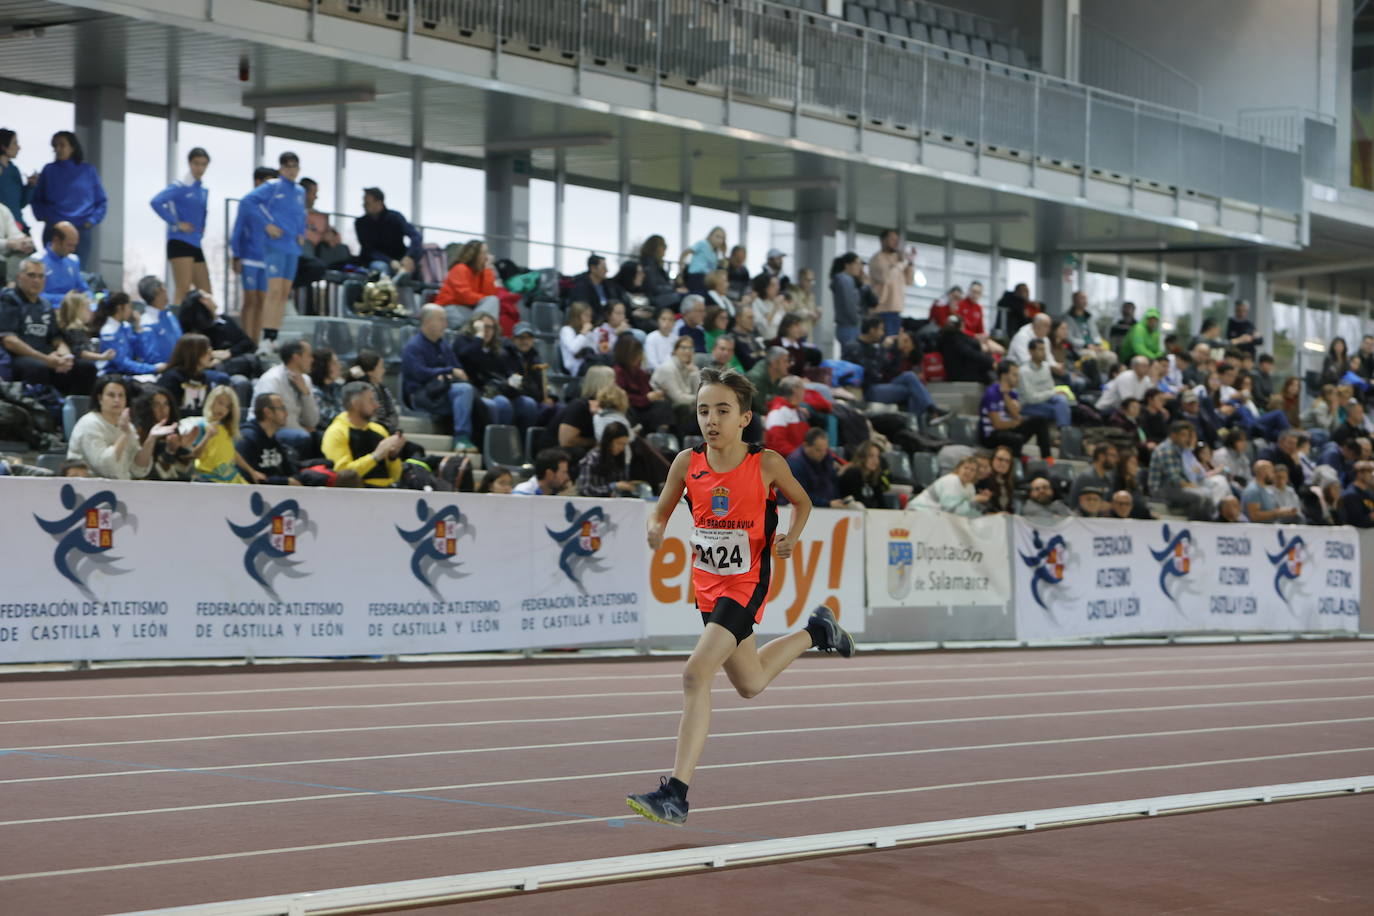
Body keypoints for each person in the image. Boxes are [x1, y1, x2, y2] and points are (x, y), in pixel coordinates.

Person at [626, 366, 848, 827]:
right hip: (707, 585)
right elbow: (661, 510)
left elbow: (802, 502)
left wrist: (791, 535)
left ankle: (676, 794)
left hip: (746, 584)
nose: (711, 419)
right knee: (750, 683)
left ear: (744, 418)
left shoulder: (764, 463)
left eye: (722, 411)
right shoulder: (687, 463)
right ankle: (817, 631)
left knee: (695, 674)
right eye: (704, 410)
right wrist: (654, 529)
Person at [0, 257, 98, 395]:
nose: (36, 280)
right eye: (31, 275)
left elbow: (56, 338)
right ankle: (43, 413)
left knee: (86, 367)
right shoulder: (9, 300)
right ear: (19, 277)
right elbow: (9, 341)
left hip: (48, 357)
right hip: (19, 359)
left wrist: (66, 355)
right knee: (37, 368)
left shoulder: (46, 305)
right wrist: (45, 360)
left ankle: (75, 412)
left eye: (41, 276)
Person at [240, 151, 305, 350]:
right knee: (274, 290)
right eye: (288, 166)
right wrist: (266, 224)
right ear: (281, 169)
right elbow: (247, 202)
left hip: (292, 247)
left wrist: (301, 232)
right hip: (275, 245)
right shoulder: (272, 186)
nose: (291, 171)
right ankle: (265, 336)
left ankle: (274, 335)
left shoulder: (300, 191)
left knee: (285, 292)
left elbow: (301, 214)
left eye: (294, 166)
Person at [843, 316, 946, 430]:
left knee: (910, 377)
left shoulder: (874, 348)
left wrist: (896, 349)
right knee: (913, 392)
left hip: (881, 385)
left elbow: (890, 369)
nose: (883, 333)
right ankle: (919, 424)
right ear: (872, 330)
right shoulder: (854, 347)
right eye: (881, 329)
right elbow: (871, 372)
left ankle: (928, 414)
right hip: (868, 388)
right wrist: (883, 350)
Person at [400, 304, 478, 449]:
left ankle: (479, 442)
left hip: (442, 393)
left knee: (478, 400)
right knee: (463, 390)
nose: (446, 324)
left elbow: (458, 368)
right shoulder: (413, 347)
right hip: (422, 396)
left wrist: (449, 373)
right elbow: (419, 374)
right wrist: (446, 371)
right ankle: (461, 437)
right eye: (442, 320)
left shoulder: (444, 345)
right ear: (428, 321)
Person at [66, 376, 174, 479]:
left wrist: (151, 439)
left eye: (121, 395)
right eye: (111, 395)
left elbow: (138, 469)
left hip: (120, 489)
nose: (117, 400)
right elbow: (105, 468)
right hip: (88, 489)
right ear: (100, 398)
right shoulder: (90, 423)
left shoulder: (127, 426)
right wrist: (125, 434)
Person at [31, 131, 106, 265]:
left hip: (81, 229)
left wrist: (91, 221)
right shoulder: (49, 170)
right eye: (55, 146)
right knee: (48, 270)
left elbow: (101, 202)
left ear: (73, 147)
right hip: (54, 228)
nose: (57, 149)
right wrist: (46, 218)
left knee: (77, 271)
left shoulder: (88, 171)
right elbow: (36, 199)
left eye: (62, 145)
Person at [150, 147, 211, 304]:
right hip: (179, 241)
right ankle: (177, 327)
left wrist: (203, 226)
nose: (200, 168)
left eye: (204, 164)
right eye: (196, 164)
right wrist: (176, 223)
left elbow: (204, 211)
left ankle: (202, 327)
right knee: (183, 289)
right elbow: (156, 202)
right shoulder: (179, 186)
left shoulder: (202, 190)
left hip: (196, 242)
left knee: (206, 292)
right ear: (190, 164)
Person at [459, 313, 539, 429]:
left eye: (490, 327)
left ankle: (521, 444)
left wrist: (513, 382)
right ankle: (495, 443)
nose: (487, 330)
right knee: (502, 404)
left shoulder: (497, 350)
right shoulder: (463, 341)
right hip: (475, 390)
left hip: (496, 390)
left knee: (528, 404)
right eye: (483, 326)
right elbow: (468, 356)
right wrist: (479, 337)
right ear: (474, 327)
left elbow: (505, 373)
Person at [322, 381, 404, 487]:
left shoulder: (379, 430)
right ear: (355, 404)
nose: (376, 405)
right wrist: (376, 456)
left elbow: (395, 476)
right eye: (371, 400)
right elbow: (343, 475)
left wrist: (393, 456)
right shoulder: (336, 432)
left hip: (387, 490)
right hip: (358, 493)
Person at [179, 384, 261, 484]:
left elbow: (233, 453)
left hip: (230, 477)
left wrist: (251, 471)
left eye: (227, 406)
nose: (222, 409)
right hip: (208, 479)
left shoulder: (226, 428)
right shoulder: (201, 425)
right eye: (220, 403)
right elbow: (194, 455)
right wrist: (207, 437)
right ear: (211, 401)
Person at [252, 337, 319, 456]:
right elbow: (270, 417)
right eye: (309, 355)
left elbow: (312, 421)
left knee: (320, 436)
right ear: (296, 357)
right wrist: (300, 428)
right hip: (268, 431)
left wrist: (306, 394)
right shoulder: (272, 379)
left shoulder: (306, 380)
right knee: (302, 436)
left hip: (295, 429)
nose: (312, 360)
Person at [980, 360, 1050, 458]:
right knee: (1016, 439)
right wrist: (1014, 423)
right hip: (991, 436)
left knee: (1040, 420)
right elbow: (997, 424)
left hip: (1007, 430)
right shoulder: (991, 393)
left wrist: (1005, 395)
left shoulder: (1012, 393)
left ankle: (1047, 460)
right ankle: (1016, 468)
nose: (1018, 378)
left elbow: (1016, 415)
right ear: (1004, 376)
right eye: (1015, 375)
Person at [1148, 420, 1213, 520]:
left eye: (1187, 435)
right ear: (1174, 435)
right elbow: (1174, 478)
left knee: (1208, 495)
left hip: (1175, 487)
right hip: (1161, 489)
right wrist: (1192, 486)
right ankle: (1193, 526)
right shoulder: (1167, 449)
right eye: (1183, 435)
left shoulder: (1179, 449)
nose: (1186, 439)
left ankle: (1208, 526)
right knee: (1198, 497)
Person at [354, 187, 421, 278]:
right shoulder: (361, 223)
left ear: (379, 202)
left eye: (367, 203)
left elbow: (415, 236)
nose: (364, 205)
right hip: (376, 262)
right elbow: (368, 250)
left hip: (399, 260)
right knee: (381, 268)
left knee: (409, 270)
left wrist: (409, 256)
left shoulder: (395, 217)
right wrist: (390, 261)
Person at [156, 332, 228, 417]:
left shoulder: (207, 378)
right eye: (206, 351)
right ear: (194, 353)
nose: (211, 354)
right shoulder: (171, 378)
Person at [131, 386, 194, 481]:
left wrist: (186, 450)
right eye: (156, 405)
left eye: (166, 404)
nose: (163, 409)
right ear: (147, 408)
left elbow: (182, 472)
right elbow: (148, 473)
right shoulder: (140, 433)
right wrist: (170, 451)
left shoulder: (173, 430)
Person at [94, 291, 163, 377]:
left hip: (127, 373)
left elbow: (140, 351)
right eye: (129, 306)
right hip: (111, 375)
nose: (131, 311)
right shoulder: (108, 331)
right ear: (120, 308)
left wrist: (138, 328)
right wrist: (153, 369)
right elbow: (122, 363)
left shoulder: (126, 326)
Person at [576, 421, 643, 498]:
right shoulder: (592, 458)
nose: (621, 448)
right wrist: (613, 486)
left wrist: (626, 486)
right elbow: (585, 489)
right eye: (619, 443)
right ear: (609, 441)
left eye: (624, 444)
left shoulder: (619, 458)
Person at [652, 335, 702, 435]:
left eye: (690, 348)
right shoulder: (668, 369)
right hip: (664, 410)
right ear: (675, 351)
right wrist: (698, 399)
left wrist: (695, 373)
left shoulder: (691, 368)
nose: (687, 351)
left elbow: (699, 393)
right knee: (687, 408)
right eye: (683, 348)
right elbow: (678, 399)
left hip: (682, 407)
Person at [1018, 338, 1071, 431]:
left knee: (1062, 400)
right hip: (1028, 405)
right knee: (1059, 409)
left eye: (1044, 349)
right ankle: (1065, 432)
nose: (1043, 353)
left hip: (1045, 400)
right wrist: (1052, 392)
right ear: (1031, 351)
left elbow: (1050, 387)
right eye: (1040, 349)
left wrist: (1052, 392)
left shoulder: (1046, 367)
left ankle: (1064, 431)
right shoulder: (1023, 371)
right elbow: (1031, 398)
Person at [867, 230, 914, 336]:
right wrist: (902, 263)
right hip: (881, 311)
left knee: (894, 346)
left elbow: (909, 281)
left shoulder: (898, 259)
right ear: (882, 240)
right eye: (892, 239)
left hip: (896, 310)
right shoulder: (877, 259)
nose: (896, 243)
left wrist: (910, 263)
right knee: (884, 345)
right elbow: (886, 278)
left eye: (897, 240)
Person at [786, 428, 844, 508]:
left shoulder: (827, 458)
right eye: (818, 450)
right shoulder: (795, 464)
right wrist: (827, 503)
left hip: (828, 506)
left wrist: (840, 500)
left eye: (825, 450)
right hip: (806, 509)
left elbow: (833, 483)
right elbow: (799, 496)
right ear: (806, 445)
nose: (823, 454)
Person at [38, 221, 90, 308]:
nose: (73, 250)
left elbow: (84, 289)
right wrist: (69, 299)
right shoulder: (37, 261)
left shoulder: (74, 260)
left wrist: (89, 299)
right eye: (69, 245)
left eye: (75, 246)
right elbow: (36, 295)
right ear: (56, 240)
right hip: (49, 310)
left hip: (73, 310)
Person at [914, 455, 986, 517]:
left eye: (972, 470)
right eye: (966, 468)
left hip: (936, 516)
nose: (968, 472)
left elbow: (967, 511)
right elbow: (948, 510)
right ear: (958, 469)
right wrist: (973, 501)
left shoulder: (970, 486)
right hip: (920, 511)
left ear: (976, 474)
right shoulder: (951, 480)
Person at [55, 291, 110, 364]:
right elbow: (80, 352)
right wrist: (101, 357)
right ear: (76, 311)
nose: (91, 311)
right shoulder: (73, 330)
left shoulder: (79, 330)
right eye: (87, 308)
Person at [0, 128, 37, 237]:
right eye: (15, 143)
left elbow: (21, 203)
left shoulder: (14, 170)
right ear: (3, 146)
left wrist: (31, 186)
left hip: (17, 224)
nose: (19, 147)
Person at [763, 375, 810, 456]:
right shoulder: (777, 412)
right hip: (789, 462)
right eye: (802, 388)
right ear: (795, 390)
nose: (804, 391)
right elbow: (777, 444)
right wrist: (803, 457)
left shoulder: (798, 411)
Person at [1240, 459, 1297, 523]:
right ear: (1263, 471)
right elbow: (1254, 516)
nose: (1273, 475)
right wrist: (1277, 512)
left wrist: (1283, 511)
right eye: (1272, 471)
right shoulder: (1253, 490)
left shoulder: (1266, 489)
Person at [838, 440, 890, 509]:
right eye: (871, 456)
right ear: (862, 457)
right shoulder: (852, 475)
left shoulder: (875, 476)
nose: (876, 461)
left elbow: (881, 502)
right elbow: (856, 502)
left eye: (877, 456)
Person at [639, 234, 686, 309]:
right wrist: (674, 289)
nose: (665, 251)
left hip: (662, 295)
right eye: (663, 247)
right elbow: (653, 287)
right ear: (656, 248)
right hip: (656, 298)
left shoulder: (655, 264)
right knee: (686, 298)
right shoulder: (649, 264)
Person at [1069, 443, 1118, 512]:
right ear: (1101, 456)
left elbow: (1110, 503)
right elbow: (1074, 505)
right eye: (1112, 455)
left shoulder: (1108, 480)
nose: (1115, 460)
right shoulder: (1086, 477)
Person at [829, 252, 863, 345]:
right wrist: (857, 320)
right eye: (856, 263)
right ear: (847, 265)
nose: (859, 267)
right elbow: (849, 304)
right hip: (849, 326)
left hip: (843, 326)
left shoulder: (841, 279)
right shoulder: (845, 280)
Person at [558, 300, 601, 376]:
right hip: (575, 367)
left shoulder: (587, 332)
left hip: (589, 363)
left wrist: (596, 336)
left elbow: (594, 351)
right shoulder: (566, 330)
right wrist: (583, 334)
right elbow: (573, 349)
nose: (589, 319)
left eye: (590, 316)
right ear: (577, 316)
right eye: (586, 315)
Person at [681, 226, 727, 294]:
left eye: (722, 238)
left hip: (708, 280)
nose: (719, 240)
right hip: (696, 277)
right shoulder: (703, 244)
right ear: (710, 236)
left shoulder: (715, 254)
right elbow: (686, 252)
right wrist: (681, 266)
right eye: (717, 237)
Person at [310, 345, 345, 427]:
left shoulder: (337, 387)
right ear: (322, 366)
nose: (339, 366)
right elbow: (325, 419)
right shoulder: (313, 391)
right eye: (334, 363)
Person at [976, 445, 1017, 514]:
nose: (1003, 463)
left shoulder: (1009, 483)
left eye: (1007, 461)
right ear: (992, 460)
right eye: (1000, 459)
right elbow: (981, 508)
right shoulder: (983, 479)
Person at [1339, 460, 1374, 527]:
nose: (1372, 475)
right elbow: (1357, 521)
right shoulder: (1351, 495)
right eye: (1369, 471)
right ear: (1359, 474)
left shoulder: (1368, 493)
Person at [644, 305, 679, 370]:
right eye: (663, 319)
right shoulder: (651, 338)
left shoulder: (676, 339)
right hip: (658, 373)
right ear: (658, 321)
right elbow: (652, 363)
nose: (667, 322)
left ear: (674, 323)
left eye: (670, 320)